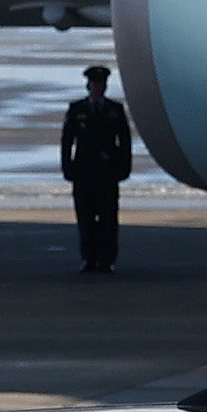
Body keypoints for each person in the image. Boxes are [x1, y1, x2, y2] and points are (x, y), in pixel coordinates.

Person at [57, 63, 132, 275]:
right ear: (88, 85)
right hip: (84, 172)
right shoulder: (77, 110)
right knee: (86, 218)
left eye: (101, 84)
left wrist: (124, 167)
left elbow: (124, 141)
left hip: (107, 172)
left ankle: (106, 260)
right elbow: (67, 140)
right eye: (95, 84)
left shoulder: (114, 110)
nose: (98, 87)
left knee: (108, 219)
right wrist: (67, 167)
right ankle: (89, 258)